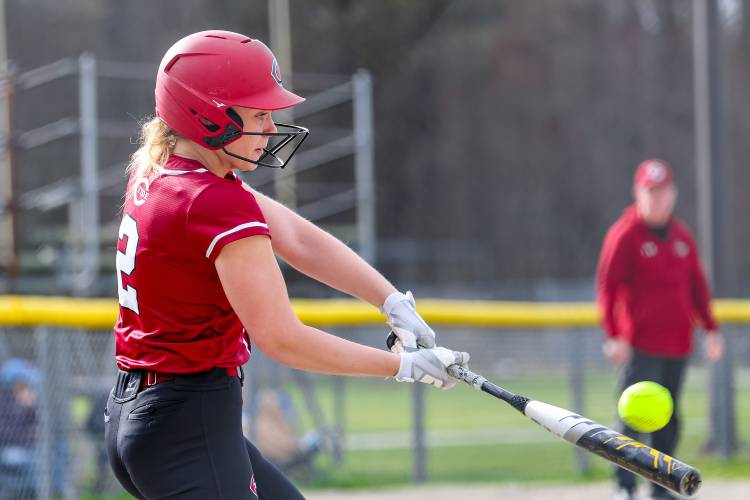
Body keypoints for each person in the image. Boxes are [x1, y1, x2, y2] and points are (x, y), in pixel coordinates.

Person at [106, 30, 469, 500]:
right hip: (187, 424)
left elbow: (296, 238)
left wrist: (389, 299)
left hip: (146, 416)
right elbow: (283, 338)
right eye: (259, 114)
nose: (272, 128)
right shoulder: (214, 202)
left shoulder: (161, 169)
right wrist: (400, 366)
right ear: (209, 115)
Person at [596, 159, 724, 500]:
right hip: (640, 345)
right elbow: (608, 288)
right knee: (632, 419)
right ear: (639, 193)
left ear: (673, 194)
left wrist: (710, 329)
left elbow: (696, 286)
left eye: (663, 191)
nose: (658, 199)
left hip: (678, 344)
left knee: (669, 420)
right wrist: (613, 335)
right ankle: (625, 487)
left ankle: (662, 487)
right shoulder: (625, 233)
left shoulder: (682, 236)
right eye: (651, 192)